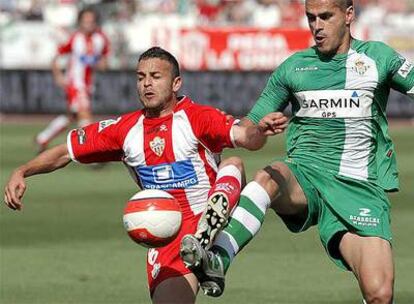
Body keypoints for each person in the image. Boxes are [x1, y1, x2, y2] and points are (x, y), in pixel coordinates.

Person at [4, 47, 288, 304]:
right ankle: (204, 257)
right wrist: (23, 171)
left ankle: (208, 233)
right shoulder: (125, 130)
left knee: (234, 163)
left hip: (205, 218)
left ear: (176, 83)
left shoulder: (197, 117)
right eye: (141, 77)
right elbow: (66, 150)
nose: (147, 83)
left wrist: (259, 130)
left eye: (155, 76)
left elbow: (246, 137)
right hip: (167, 237)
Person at [180, 0, 414, 303]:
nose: (317, 26)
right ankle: (218, 259)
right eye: (311, 18)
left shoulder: (378, 58)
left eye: (326, 17)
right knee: (268, 177)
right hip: (306, 175)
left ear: (349, 15)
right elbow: (248, 132)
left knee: (380, 294)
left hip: (359, 187)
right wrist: (259, 128)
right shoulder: (293, 68)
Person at [35, 8, 110, 153]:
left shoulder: (101, 39)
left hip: (88, 84)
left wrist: (101, 64)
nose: (88, 24)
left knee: (72, 116)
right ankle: (91, 151)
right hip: (76, 83)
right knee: (84, 113)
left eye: (91, 21)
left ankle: (42, 138)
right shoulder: (75, 38)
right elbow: (56, 56)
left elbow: (104, 62)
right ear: (80, 22)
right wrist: (58, 75)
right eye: (85, 21)